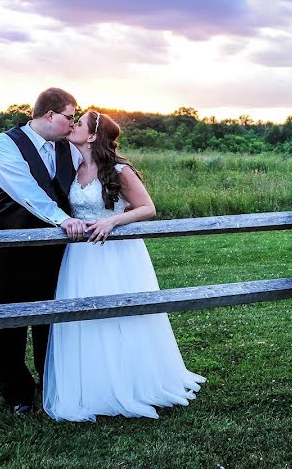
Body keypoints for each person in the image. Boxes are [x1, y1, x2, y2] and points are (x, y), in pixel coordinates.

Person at [43, 110, 205, 422]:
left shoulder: (118, 170)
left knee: (122, 317)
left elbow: (148, 208)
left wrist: (113, 220)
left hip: (116, 254)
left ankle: (132, 382)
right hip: (81, 257)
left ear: (92, 136)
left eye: (79, 124)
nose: (72, 125)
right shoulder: (74, 169)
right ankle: (91, 386)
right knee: (84, 319)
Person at [0, 87, 88, 415]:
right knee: (8, 318)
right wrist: (62, 219)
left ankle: (50, 385)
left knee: (51, 318)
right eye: (69, 118)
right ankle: (16, 395)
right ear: (49, 115)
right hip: (8, 245)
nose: (72, 125)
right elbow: (25, 189)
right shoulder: (5, 143)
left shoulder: (66, 149)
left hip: (54, 250)